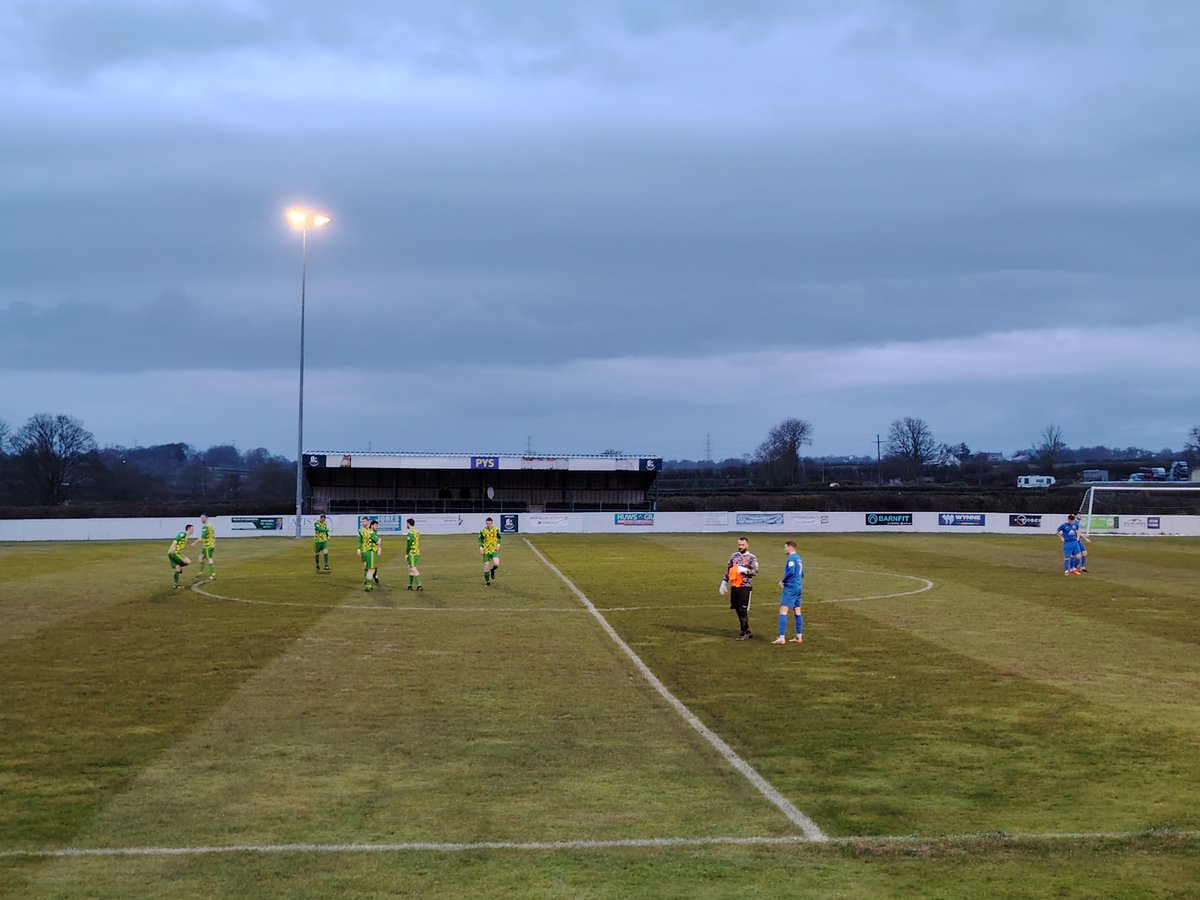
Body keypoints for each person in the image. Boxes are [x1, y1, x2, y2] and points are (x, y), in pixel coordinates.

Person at [719, 536, 759, 640]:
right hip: (735, 586)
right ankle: (747, 630)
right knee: (737, 609)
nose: (740, 547)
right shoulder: (734, 556)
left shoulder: (752, 558)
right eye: (739, 545)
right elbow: (729, 569)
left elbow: (755, 572)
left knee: (743, 610)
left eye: (742, 545)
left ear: (747, 545)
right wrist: (724, 581)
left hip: (745, 587)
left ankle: (744, 632)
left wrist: (744, 570)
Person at [772, 540, 804, 645]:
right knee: (797, 611)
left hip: (791, 587)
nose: (784, 549)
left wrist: (783, 581)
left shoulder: (791, 558)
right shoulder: (799, 558)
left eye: (785, 547)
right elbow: (802, 573)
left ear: (790, 547)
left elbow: (791, 571)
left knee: (783, 610)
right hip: (798, 587)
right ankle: (799, 636)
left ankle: (781, 638)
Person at [168, 524, 194, 589]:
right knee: (188, 561)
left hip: (171, 553)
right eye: (192, 529)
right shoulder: (183, 534)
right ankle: (180, 568)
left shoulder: (186, 536)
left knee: (178, 568)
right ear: (188, 529)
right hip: (174, 553)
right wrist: (173, 548)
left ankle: (176, 585)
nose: (193, 530)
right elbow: (175, 540)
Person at [191, 514, 216, 579]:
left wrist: (194, 543)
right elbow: (213, 536)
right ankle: (201, 572)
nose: (201, 519)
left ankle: (213, 574)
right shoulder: (210, 525)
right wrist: (213, 544)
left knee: (209, 559)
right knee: (200, 557)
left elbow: (202, 538)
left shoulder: (206, 527)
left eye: (203, 517)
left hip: (208, 546)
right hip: (208, 546)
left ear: (206, 518)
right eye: (201, 518)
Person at [479, 516, 501, 586]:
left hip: (493, 550)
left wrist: (498, 545)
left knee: (496, 564)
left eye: (490, 524)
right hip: (486, 551)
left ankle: (493, 570)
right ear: (486, 523)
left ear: (492, 523)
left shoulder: (496, 529)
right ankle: (488, 582)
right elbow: (480, 540)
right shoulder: (483, 531)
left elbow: (500, 538)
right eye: (487, 524)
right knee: (486, 566)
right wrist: (481, 548)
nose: (488, 525)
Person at [362, 518, 381, 591]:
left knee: (369, 569)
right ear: (372, 525)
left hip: (366, 552)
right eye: (376, 525)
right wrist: (379, 540)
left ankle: (368, 584)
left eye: (377, 525)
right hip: (371, 552)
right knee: (371, 570)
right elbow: (378, 541)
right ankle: (368, 585)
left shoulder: (367, 532)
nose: (377, 527)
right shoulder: (371, 533)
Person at [405, 518, 423, 590]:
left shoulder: (410, 533)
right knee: (410, 568)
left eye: (406, 523)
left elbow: (409, 545)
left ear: (408, 524)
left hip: (412, 553)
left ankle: (419, 585)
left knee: (413, 568)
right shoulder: (417, 531)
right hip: (416, 552)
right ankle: (410, 585)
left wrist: (406, 553)